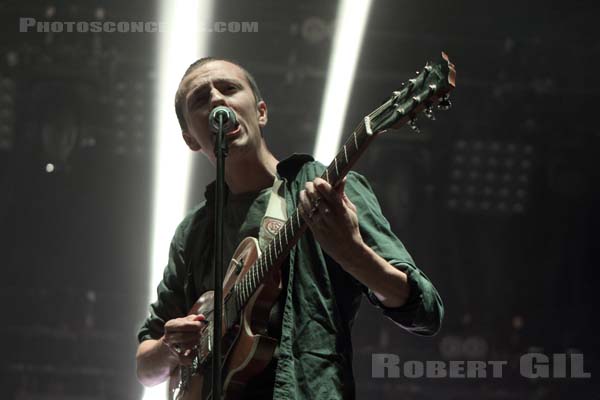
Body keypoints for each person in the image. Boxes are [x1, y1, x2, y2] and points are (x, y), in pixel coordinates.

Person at [136, 57, 444, 399]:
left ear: (261, 112)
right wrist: (169, 347)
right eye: (200, 99)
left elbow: (425, 311)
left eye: (229, 88)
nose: (217, 100)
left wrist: (352, 253)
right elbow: (146, 368)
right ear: (191, 139)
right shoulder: (193, 231)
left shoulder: (327, 189)